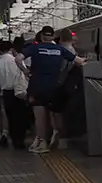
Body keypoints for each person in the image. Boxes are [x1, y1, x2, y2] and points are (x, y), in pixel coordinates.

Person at [25, 26, 74, 154]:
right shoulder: (62, 50)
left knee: (42, 116)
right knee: (55, 113)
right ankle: (57, 136)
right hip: (59, 88)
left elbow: (19, 59)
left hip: (43, 87)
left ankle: (44, 140)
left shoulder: (36, 49)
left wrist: (27, 72)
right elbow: (78, 62)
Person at [0, 38, 31, 149]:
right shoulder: (17, 61)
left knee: (11, 117)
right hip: (19, 92)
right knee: (21, 117)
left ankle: (15, 140)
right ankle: (21, 139)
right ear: (11, 49)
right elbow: (24, 76)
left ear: (0, 50)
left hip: (6, 93)